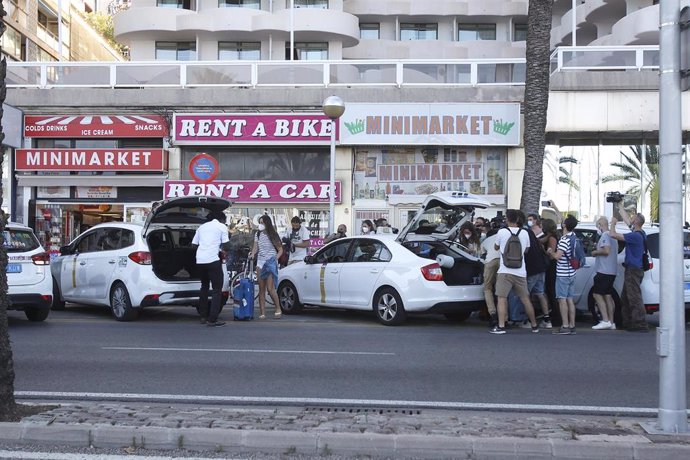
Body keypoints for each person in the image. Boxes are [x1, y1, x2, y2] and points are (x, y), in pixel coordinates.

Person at [490, 209, 540, 334]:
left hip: (504, 271)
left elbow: (496, 247)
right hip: (520, 271)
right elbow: (527, 250)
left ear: (507, 219)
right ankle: (534, 325)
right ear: (518, 219)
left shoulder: (502, 232)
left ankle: (501, 326)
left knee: (502, 298)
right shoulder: (524, 233)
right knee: (525, 299)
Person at [609, 205, 649, 332]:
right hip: (635, 268)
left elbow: (612, 234)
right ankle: (627, 321)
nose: (631, 218)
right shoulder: (641, 233)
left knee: (634, 297)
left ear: (636, 222)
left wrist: (613, 223)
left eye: (633, 217)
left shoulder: (635, 236)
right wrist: (620, 206)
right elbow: (627, 220)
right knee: (626, 296)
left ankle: (639, 323)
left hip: (633, 269)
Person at [191, 211, 231, 327]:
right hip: (213, 260)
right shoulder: (221, 227)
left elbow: (193, 245)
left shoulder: (201, 227)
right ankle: (212, 319)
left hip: (200, 260)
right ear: (222, 219)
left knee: (204, 287)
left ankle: (203, 316)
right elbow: (227, 246)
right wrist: (220, 247)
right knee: (216, 290)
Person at [547, 215, 579, 335]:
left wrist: (551, 251)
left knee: (562, 300)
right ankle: (572, 325)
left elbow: (557, 256)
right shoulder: (574, 237)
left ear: (565, 225)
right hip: (572, 272)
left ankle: (565, 325)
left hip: (563, 273)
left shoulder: (564, 241)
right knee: (570, 299)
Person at [251, 215, 283, 319]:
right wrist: (252, 254)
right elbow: (255, 248)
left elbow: (280, 250)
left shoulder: (272, 234)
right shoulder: (258, 234)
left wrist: (275, 259)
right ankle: (262, 312)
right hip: (260, 262)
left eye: (262, 222)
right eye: (260, 222)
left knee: (270, 288)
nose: (261, 225)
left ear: (267, 223)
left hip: (270, 262)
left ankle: (278, 308)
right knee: (261, 288)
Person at [524, 214, 552, 329]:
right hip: (541, 268)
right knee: (540, 293)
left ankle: (527, 320)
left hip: (532, 269)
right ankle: (546, 318)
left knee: (526, 295)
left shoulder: (526, 234)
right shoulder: (533, 235)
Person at [591, 216, 619, 330]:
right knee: (608, 296)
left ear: (600, 225)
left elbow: (606, 250)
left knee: (597, 294)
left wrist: (595, 252)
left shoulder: (605, 235)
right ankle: (612, 322)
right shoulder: (613, 236)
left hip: (604, 271)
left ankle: (605, 320)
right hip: (612, 271)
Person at [480, 220, 501, 327]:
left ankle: (492, 314)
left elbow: (482, 255)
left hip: (490, 262)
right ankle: (503, 317)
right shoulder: (502, 237)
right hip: (502, 262)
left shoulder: (485, 241)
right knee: (500, 290)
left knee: (487, 288)